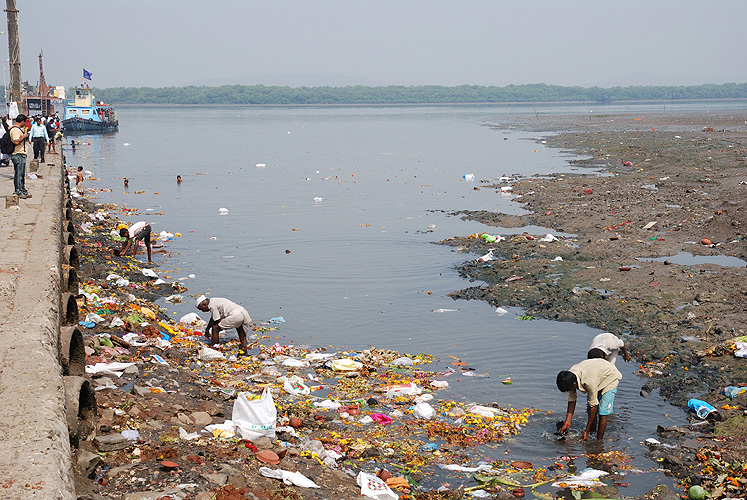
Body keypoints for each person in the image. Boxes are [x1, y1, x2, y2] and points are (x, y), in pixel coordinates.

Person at [556, 358, 622, 441]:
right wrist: (567, 423)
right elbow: (572, 400)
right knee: (590, 409)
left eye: (569, 390)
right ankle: (592, 434)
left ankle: (598, 442)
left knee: (602, 411)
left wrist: (586, 430)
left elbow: (594, 406)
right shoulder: (569, 377)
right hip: (597, 375)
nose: (569, 391)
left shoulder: (588, 381)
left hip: (609, 377)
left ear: (574, 384)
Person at [10, 114, 31, 199]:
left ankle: (22, 190)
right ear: (22, 121)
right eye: (25, 122)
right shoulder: (15, 130)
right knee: (18, 174)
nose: (25, 124)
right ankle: (18, 191)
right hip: (17, 154)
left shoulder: (18, 129)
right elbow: (16, 141)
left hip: (21, 154)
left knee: (21, 174)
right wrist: (24, 136)